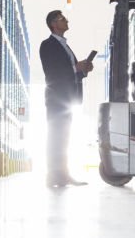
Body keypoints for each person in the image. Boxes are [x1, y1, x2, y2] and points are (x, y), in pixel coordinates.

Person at [39, 10, 94, 187]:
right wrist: (75, 67)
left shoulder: (65, 45)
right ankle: (52, 175)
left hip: (67, 99)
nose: (66, 20)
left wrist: (83, 69)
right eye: (62, 19)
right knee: (56, 137)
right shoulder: (47, 45)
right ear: (53, 24)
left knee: (64, 137)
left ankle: (62, 174)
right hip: (57, 98)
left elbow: (71, 73)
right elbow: (53, 72)